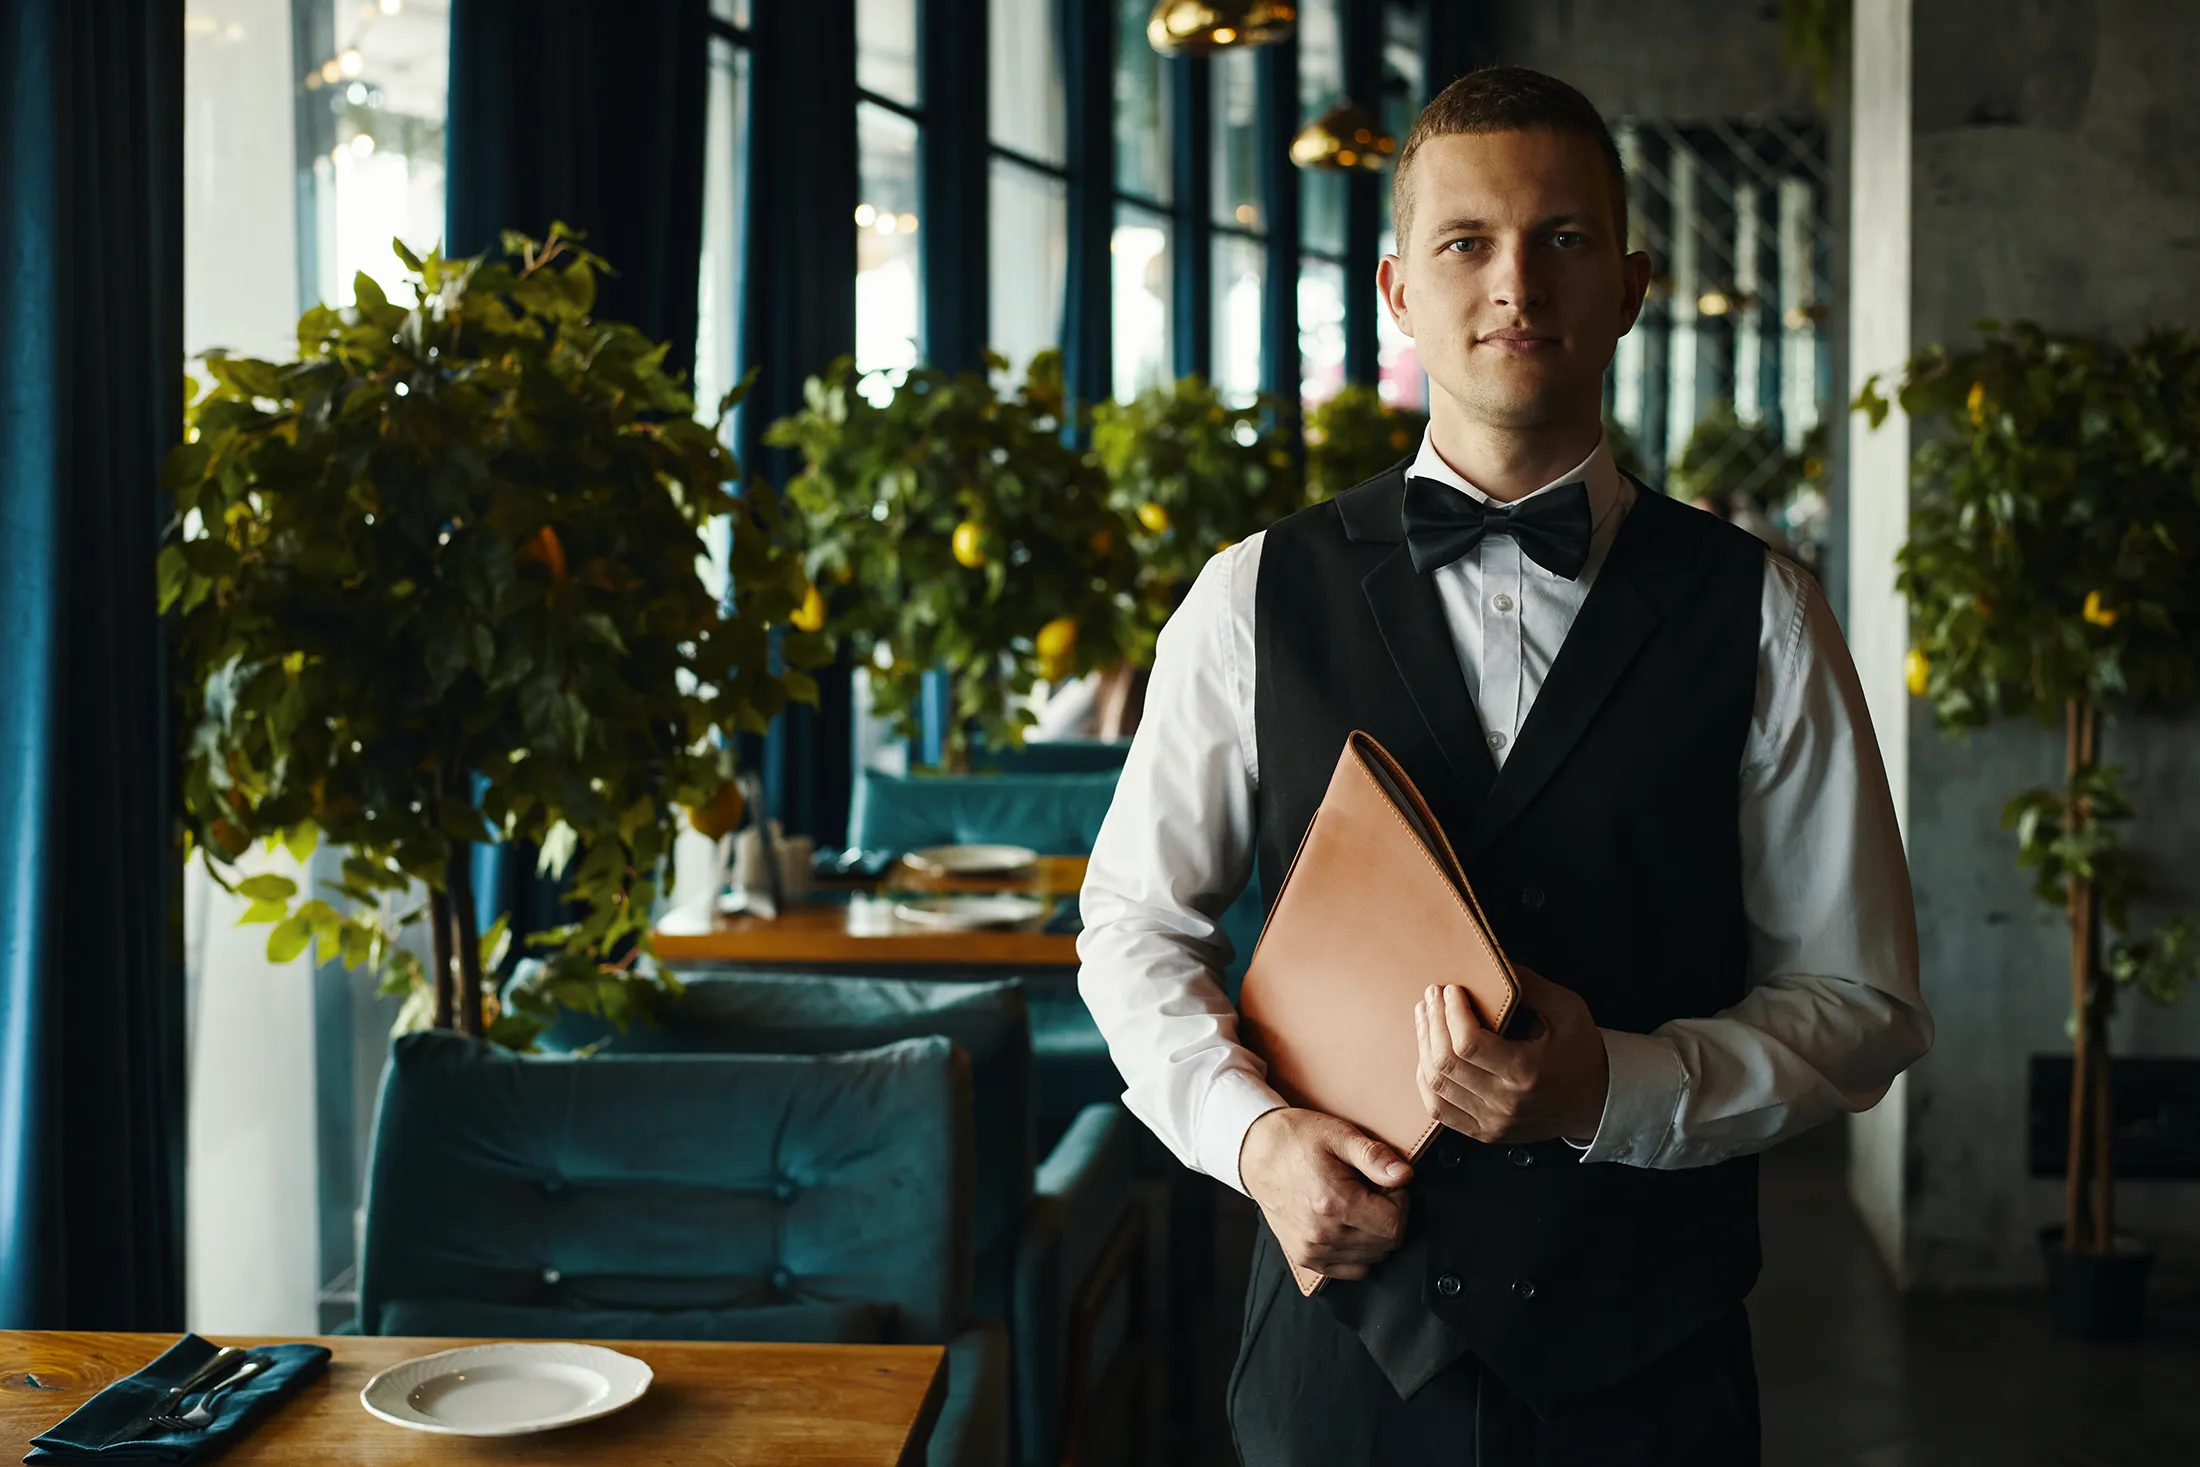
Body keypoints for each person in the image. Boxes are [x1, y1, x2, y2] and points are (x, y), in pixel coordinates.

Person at [1076, 66, 1931, 1466]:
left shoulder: (1763, 605)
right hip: (1337, 1362)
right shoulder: (1251, 594)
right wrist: (1256, 1141)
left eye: (1564, 239)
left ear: (1633, 285)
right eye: (1465, 242)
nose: (1515, 283)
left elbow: (1867, 1002)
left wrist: (1615, 1085)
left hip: (1650, 1369)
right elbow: (1129, 925)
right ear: (1400, 291)